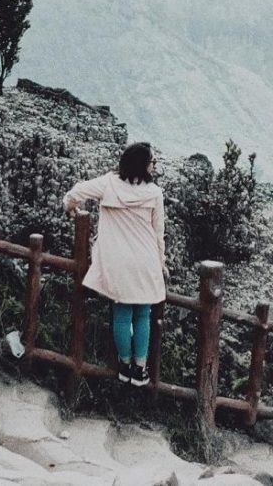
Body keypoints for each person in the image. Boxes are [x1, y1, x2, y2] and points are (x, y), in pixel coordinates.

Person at [62, 142, 168, 386]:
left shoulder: (109, 183)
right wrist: (161, 262)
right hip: (146, 260)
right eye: (152, 162)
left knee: (121, 314)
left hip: (118, 261)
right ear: (143, 165)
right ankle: (140, 370)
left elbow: (77, 192)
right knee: (143, 314)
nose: (154, 166)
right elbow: (158, 233)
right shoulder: (154, 193)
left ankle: (124, 365)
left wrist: (70, 207)